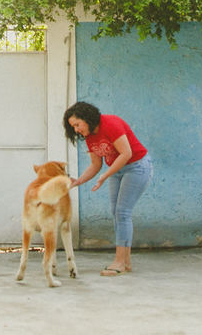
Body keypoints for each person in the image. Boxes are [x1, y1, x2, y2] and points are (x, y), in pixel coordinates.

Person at [63, 101, 152, 276]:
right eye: (72, 127)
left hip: (137, 166)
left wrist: (104, 176)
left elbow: (126, 154)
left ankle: (119, 262)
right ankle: (125, 262)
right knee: (116, 212)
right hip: (118, 170)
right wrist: (77, 182)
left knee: (123, 212)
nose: (76, 130)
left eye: (77, 124)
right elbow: (96, 165)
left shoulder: (110, 123)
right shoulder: (90, 137)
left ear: (87, 118)